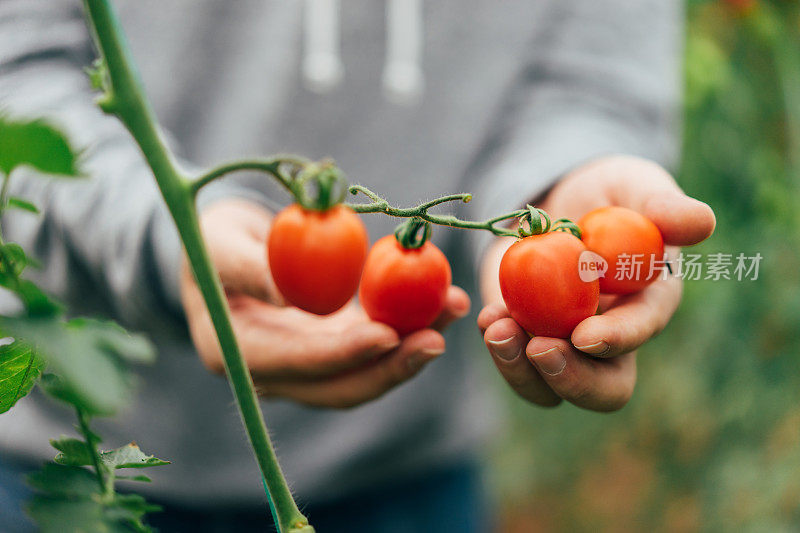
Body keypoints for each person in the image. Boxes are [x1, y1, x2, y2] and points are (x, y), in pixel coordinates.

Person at [0, 1, 715, 531]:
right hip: (71, 467)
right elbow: (18, 70)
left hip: (407, 469)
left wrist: (556, 184)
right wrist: (164, 235)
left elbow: (592, 76)